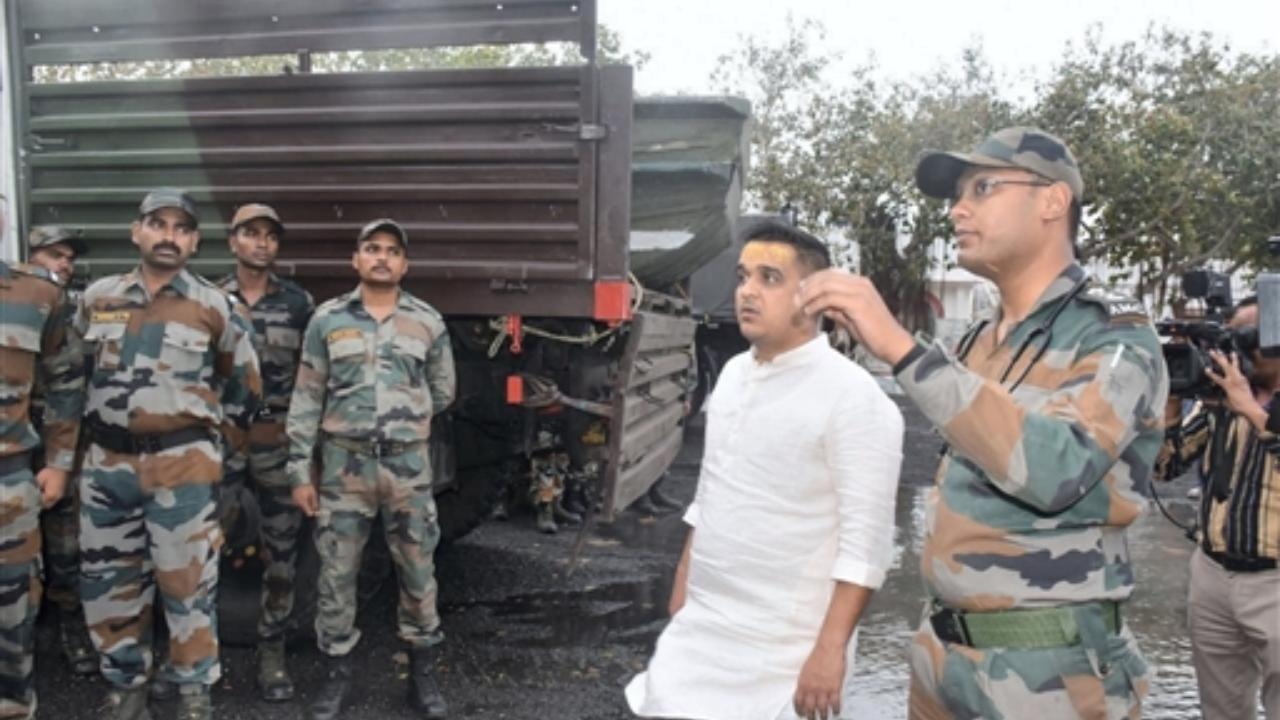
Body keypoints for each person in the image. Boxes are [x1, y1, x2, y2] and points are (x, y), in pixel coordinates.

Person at [799, 127, 1169, 719]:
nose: (957, 210)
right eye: (956, 195)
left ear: (1053, 202)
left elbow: (1057, 468)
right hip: (944, 657)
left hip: (1049, 676)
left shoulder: (1114, 334)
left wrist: (901, 345)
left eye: (983, 187)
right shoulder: (977, 340)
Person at [626, 219, 904, 720]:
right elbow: (711, 492)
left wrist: (829, 651)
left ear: (813, 295)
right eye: (743, 276)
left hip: (784, 649)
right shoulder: (733, 375)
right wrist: (682, 590)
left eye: (769, 278)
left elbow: (866, 547)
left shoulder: (854, 397)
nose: (748, 292)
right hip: (703, 631)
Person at [75, 188, 262, 720]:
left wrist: (210, 450)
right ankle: (126, 690)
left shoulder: (214, 306)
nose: (169, 236)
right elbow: (72, 376)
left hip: (183, 467)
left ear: (195, 242)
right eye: (158, 224)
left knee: (189, 587)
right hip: (107, 467)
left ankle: (193, 697)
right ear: (136, 232)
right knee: (108, 584)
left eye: (181, 228)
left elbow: (245, 389)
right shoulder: (98, 298)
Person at [286, 219, 455, 720]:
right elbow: (307, 396)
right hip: (344, 466)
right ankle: (337, 675)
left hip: (406, 468)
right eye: (371, 249)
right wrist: (300, 470)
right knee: (336, 573)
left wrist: (403, 418)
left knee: (418, 569)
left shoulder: (428, 322)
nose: (382, 257)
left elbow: (443, 391)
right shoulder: (327, 320)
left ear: (404, 264)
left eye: (392, 251)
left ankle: (422, 674)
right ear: (355, 260)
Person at [1156, 296, 1280, 719]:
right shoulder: (1218, 402)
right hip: (1212, 576)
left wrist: (1249, 407)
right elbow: (1164, 466)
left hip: (1276, 581)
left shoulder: (1239, 400)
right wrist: (1172, 400)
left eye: (1247, 340)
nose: (1235, 353)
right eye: (1229, 340)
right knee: (1221, 709)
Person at [215, 203, 314, 701]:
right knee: (203, 547)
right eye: (250, 234)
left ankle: (271, 654)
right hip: (223, 440)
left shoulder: (299, 305)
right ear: (233, 241)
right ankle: (195, 658)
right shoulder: (209, 300)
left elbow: (314, 379)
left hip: (277, 442)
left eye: (270, 236)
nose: (261, 243)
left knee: (282, 553)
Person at [0, 236, 86, 719]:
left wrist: (58, 461)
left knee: (13, 612)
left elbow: (64, 378)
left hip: (9, 482)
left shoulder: (37, 294)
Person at [25, 225, 99, 676]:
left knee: (66, 547)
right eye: (55, 255)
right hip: (19, 446)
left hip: (65, 446)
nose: (64, 265)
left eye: (69, 258)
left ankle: (72, 631)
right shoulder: (16, 304)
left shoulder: (81, 310)